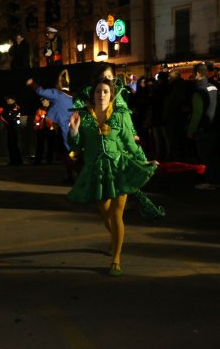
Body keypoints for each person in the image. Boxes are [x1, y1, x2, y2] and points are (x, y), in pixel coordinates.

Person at [68, 78, 158, 276]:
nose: (101, 95)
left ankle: (116, 258)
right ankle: (115, 238)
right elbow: (76, 145)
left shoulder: (119, 115)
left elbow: (129, 142)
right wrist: (73, 131)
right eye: (98, 91)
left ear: (111, 95)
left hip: (118, 168)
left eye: (105, 92)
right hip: (96, 170)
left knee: (117, 214)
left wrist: (144, 160)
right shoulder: (83, 115)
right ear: (93, 95)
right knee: (105, 212)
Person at [187, 63, 219, 190]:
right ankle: (215, 179)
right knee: (214, 156)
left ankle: (208, 181)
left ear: (197, 74)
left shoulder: (198, 91)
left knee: (204, 156)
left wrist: (191, 130)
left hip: (203, 128)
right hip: (215, 126)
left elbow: (197, 113)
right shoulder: (214, 87)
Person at [33, 98, 56, 164]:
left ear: (48, 101)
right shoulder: (39, 109)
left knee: (50, 145)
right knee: (40, 145)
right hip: (41, 129)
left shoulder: (53, 108)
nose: (42, 102)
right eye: (42, 101)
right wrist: (37, 126)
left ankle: (49, 160)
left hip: (51, 129)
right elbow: (36, 120)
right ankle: (38, 160)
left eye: (44, 100)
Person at [2, 96, 23, 165]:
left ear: (13, 99)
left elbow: (13, 117)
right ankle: (13, 160)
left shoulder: (15, 107)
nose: (7, 100)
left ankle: (18, 161)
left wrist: (8, 116)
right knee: (10, 144)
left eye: (8, 99)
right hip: (10, 128)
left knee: (14, 145)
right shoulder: (8, 107)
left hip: (15, 128)